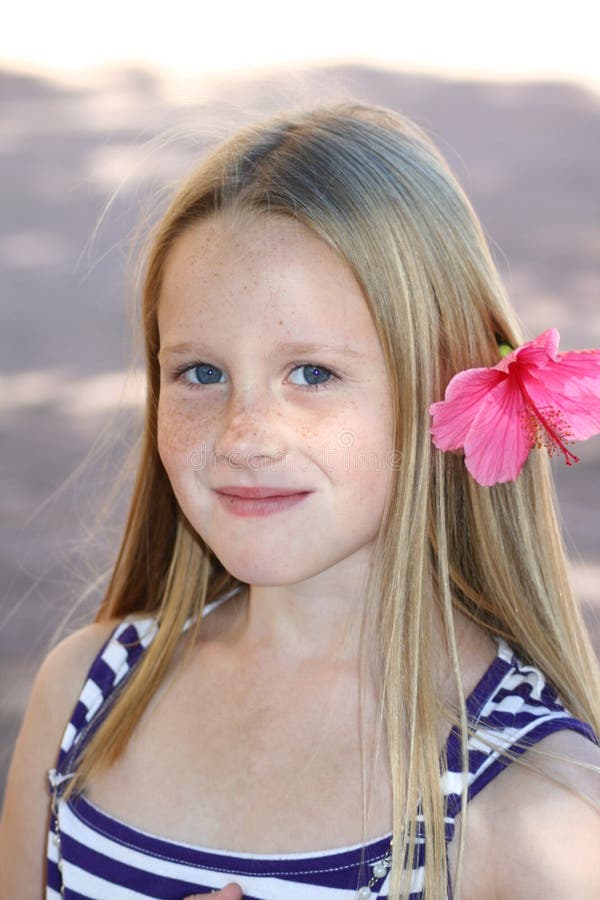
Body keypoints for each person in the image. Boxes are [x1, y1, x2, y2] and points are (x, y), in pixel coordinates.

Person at [1, 100, 599, 900]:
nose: (245, 435)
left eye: (312, 373)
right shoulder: (83, 694)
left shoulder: (538, 809)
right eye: (200, 373)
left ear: (447, 384)